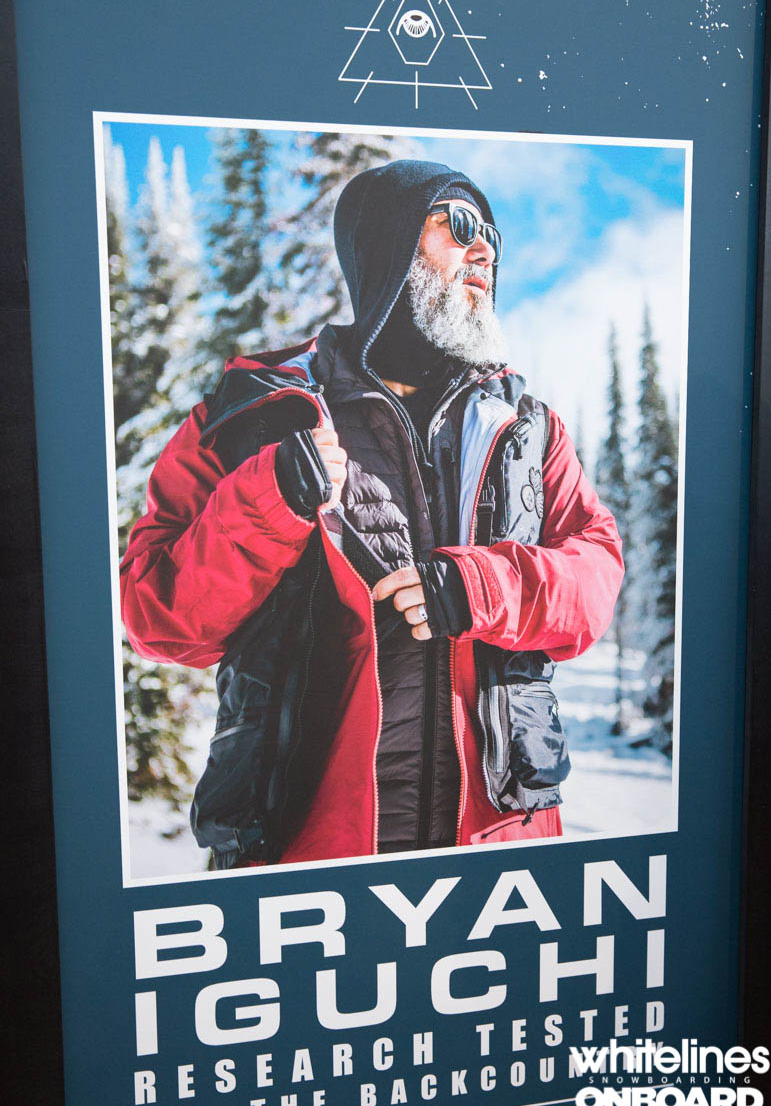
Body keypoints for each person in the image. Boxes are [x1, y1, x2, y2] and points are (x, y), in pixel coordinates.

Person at [120, 159, 624, 870]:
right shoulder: (254, 417)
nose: (485, 251)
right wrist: (269, 500)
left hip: (497, 852)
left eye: (492, 236)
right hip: (309, 860)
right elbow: (158, 617)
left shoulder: (527, 428)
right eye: (460, 225)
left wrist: (482, 586)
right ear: (387, 246)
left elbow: (596, 574)